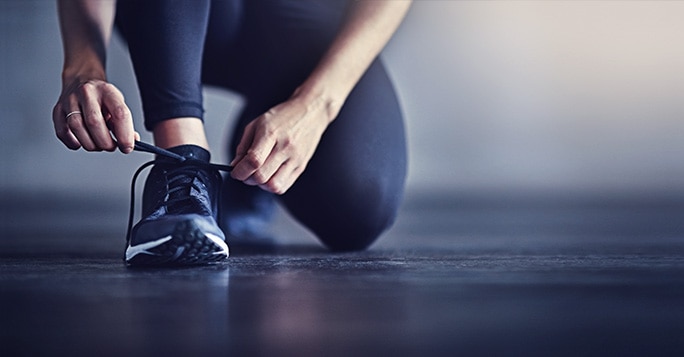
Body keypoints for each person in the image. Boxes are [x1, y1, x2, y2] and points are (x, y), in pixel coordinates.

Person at [52, 0, 411, 266]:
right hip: (175, 16)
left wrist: (316, 105)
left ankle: (251, 161)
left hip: (308, 21)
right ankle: (182, 172)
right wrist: (82, 66)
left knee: (360, 208)